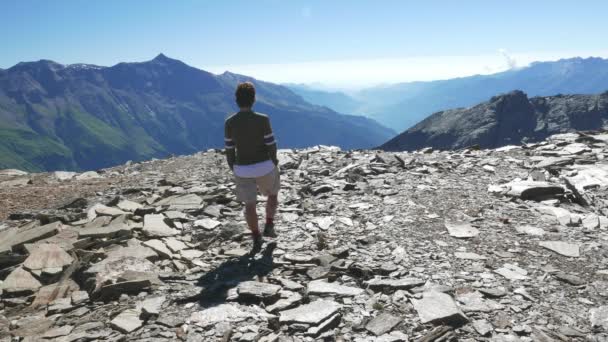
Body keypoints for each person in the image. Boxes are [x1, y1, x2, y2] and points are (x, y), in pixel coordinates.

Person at [224, 82, 280, 253]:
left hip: (242, 168)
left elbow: (229, 149)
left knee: (250, 205)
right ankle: (269, 224)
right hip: (264, 165)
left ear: (237, 100)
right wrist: (274, 161)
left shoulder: (230, 122)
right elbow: (271, 144)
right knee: (272, 194)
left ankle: (256, 236)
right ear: (253, 99)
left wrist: (233, 166)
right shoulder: (263, 119)